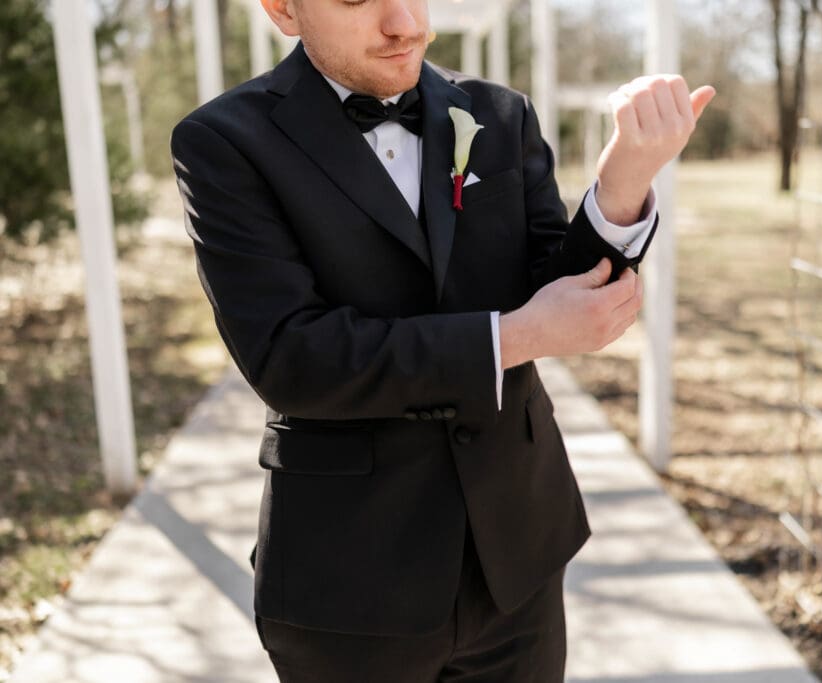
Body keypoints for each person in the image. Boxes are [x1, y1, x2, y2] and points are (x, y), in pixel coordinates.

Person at [170, 0, 714, 680]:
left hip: (517, 561)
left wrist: (628, 174)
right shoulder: (223, 142)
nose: (408, 25)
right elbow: (291, 356)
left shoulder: (499, 113)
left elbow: (559, 288)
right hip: (350, 585)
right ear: (284, 8)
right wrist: (512, 337)